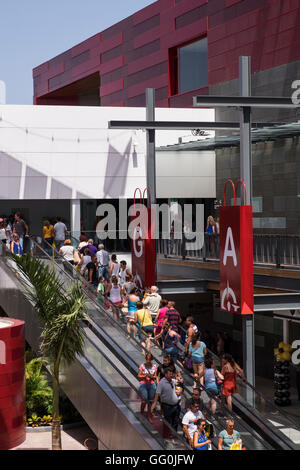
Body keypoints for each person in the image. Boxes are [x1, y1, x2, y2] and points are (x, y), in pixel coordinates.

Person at [138, 352, 157, 423]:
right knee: (145, 399)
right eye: (147, 359)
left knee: (150, 401)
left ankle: (148, 415)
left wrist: (152, 376)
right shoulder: (142, 366)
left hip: (151, 384)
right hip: (144, 384)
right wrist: (145, 376)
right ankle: (142, 412)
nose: (148, 360)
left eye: (149, 359)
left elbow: (155, 376)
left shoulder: (154, 366)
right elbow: (139, 375)